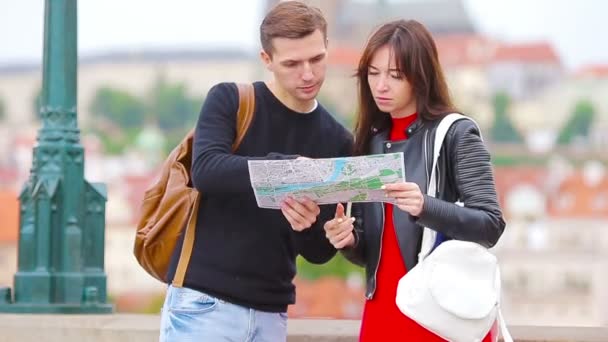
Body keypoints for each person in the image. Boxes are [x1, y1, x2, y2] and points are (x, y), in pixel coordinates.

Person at [159, 2, 353, 341]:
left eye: (316, 59)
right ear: (267, 60)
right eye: (292, 63)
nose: (307, 74)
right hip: (205, 303)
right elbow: (207, 170)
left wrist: (309, 225)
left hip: (271, 311)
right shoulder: (231, 100)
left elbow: (318, 253)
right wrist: (288, 169)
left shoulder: (336, 138)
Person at [323, 19, 506, 341]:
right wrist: (348, 240)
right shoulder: (369, 141)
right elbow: (371, 253)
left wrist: (426, 206)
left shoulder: (456, 133)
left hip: (438, 313)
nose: (381, 85)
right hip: (381, 313)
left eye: (395, 75)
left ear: (421, 77)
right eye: (373, 73)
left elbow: (490, 225)